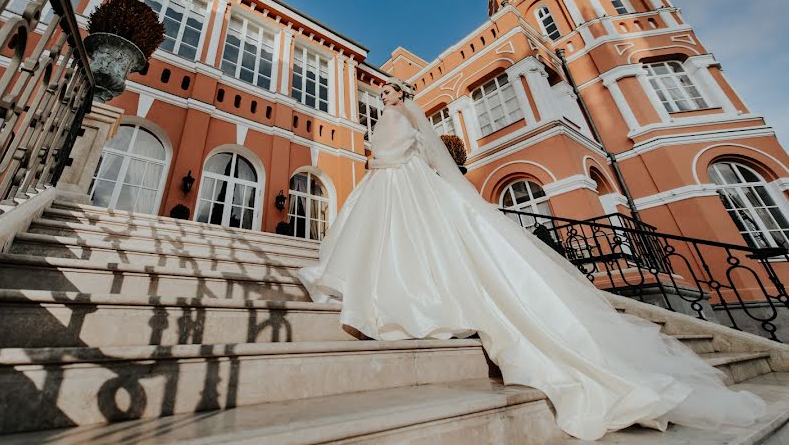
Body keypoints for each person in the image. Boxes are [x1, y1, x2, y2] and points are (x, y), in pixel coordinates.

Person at [294, 77, 766, 441]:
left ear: (400, 96)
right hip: (406, 186)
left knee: (408, 242)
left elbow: (390, 153)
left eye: (390, 91)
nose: (384, 96)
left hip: (397, 183)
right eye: (382, 92)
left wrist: (376, 162)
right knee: (408, 241)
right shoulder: (405, 119)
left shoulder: (398, 119)